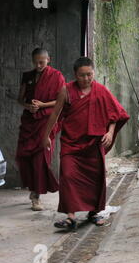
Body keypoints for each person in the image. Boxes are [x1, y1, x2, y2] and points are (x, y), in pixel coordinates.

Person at [42, 57, 130, 230]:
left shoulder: (101, 90)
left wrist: (110, 132)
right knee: (67, 175)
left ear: (93, 73)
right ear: (75, 75)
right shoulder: (66, 90)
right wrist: (47, 135)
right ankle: (70, 217)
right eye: (82, 75)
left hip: (93, 143)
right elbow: (55, 115)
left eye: (89, 74)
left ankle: (94, 212)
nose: (86, 79)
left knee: (95, 178)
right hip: (71, 142)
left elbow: (116, 114)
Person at [16, 48, 65, 211]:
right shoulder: (28, 76)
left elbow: (61, 100)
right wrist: (28, 106)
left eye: (41, 62)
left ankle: (37, 196)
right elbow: (20, 99)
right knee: (25, 157)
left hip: (45, 122)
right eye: (35, 62)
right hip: (29, 122)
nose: (38, 65)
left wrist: (42, 105)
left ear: (48, 60)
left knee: (40, 158)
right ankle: (32, 189)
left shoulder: (56, 76)